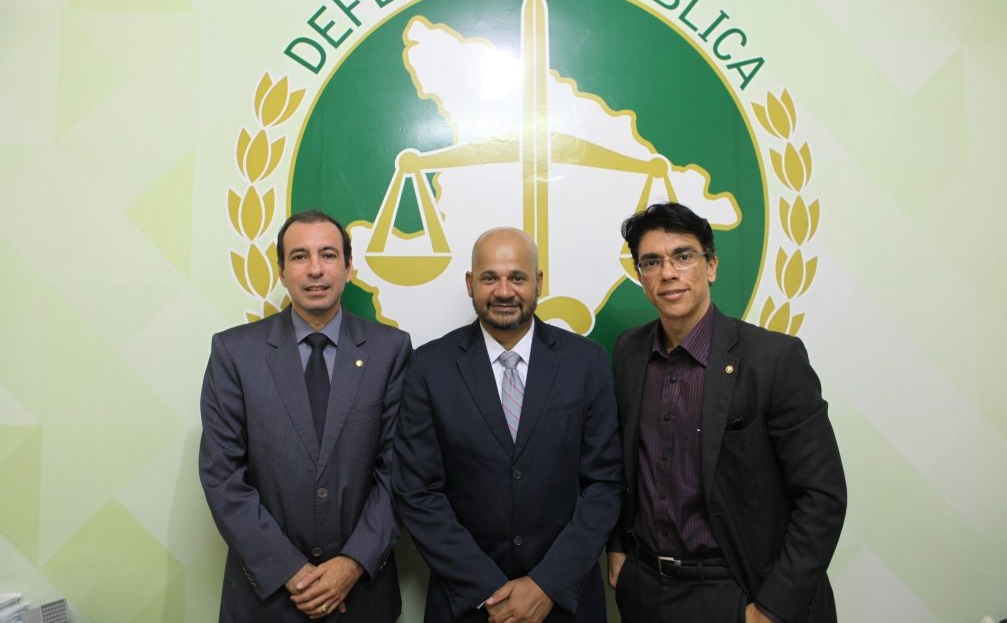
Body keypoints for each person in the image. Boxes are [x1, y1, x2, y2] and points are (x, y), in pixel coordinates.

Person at [606, 202, 846, 623]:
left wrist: (771, 609)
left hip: (736, 588)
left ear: (711, 266)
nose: (668, 273)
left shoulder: (773, 359)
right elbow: (619, 462)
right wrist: (618, 550)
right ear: (640, 275)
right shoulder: (629, 351)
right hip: (645, 588)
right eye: (652, 262)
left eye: (683, 256)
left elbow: (822, 497)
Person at [392, 227, 623, 622]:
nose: (503, 291)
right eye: (490, 278)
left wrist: (546, 585)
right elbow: (417, 492)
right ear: (470, 284)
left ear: (538, 283)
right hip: (467, 605)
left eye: (517, 277)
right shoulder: (429, 367)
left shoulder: (586, 362)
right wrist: (489, 591)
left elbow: (604, 484)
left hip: (564, 603)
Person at [199, 209, 411, 622]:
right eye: (299, 256)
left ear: (349, 267)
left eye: (328, 255)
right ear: (281, 271)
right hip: (267, 600)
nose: (315, 269)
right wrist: (291, 572)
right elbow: (222, 477)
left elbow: (399, 472)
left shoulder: (391, 351)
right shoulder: (234, 353)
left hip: (361, 599)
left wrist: (351, 564)